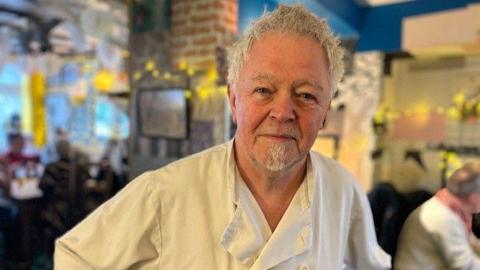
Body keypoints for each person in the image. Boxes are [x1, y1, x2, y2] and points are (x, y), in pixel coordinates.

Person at [55, 5, 390, 269]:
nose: (283, 111)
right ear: (233, 101)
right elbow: (76, 258)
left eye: (305, 95)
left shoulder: (343, 190)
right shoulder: (164, 193)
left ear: (325, 111)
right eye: (263, 90)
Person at [395, 162, 480, 269]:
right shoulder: (444, 217)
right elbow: (465, 265)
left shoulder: (448, 205)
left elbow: (467, 241)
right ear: (473, 197)